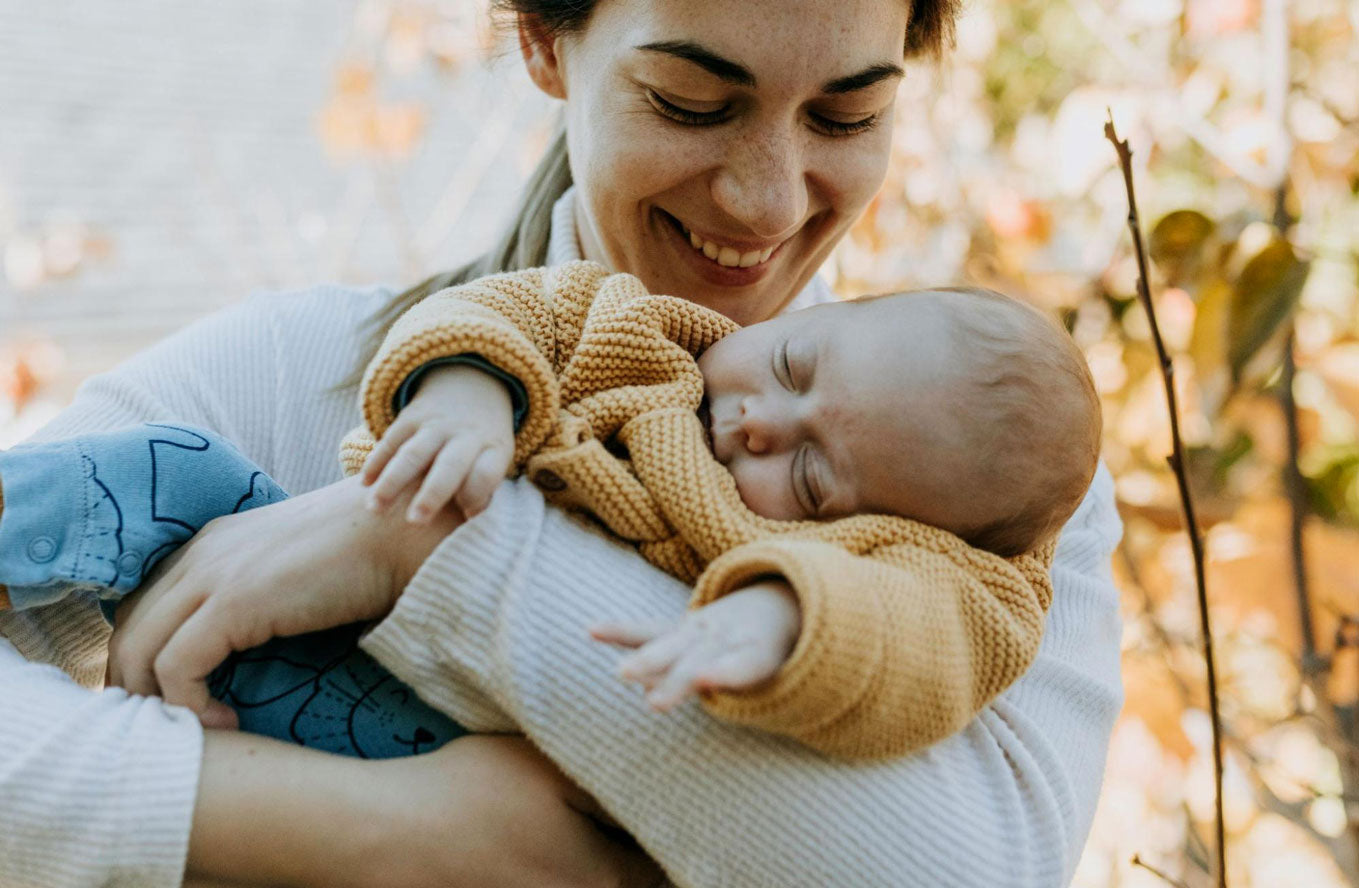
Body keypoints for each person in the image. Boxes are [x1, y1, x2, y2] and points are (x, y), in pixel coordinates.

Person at [0, 0, 1123, 888]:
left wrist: (429, 554)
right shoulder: (299, 371)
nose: (768, 198)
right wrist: (372, 840)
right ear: (544, 40)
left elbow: (978, 879)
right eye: (690, 101)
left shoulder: (988, 482)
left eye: (845, 119)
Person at [0, 262, 1098, 762]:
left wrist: (778, 619)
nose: (764, 422)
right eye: (799, 364)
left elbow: (914, 639)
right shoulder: (653, 335)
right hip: (306, 611)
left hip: (417, 741)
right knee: (166, 469)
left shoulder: (930, 570)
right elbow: (513, 310)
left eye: (810, 477)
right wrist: (472, 396)